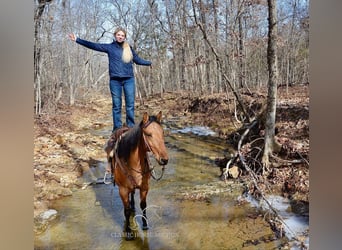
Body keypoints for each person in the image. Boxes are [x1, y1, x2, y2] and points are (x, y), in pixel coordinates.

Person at [68, 28, 152, 134]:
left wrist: (149, 63)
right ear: (115, 35)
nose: (120, 37)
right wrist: (77, 40)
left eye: (122, 35)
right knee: (116, 105)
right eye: (118, 35)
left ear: (125, 37)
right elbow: (94, 45)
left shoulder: (128, 48)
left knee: (130, 104)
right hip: (115, 80)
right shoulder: (110, 47)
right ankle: (117, 128)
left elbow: (137, 60)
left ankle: (130, 126)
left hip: (128, 79)